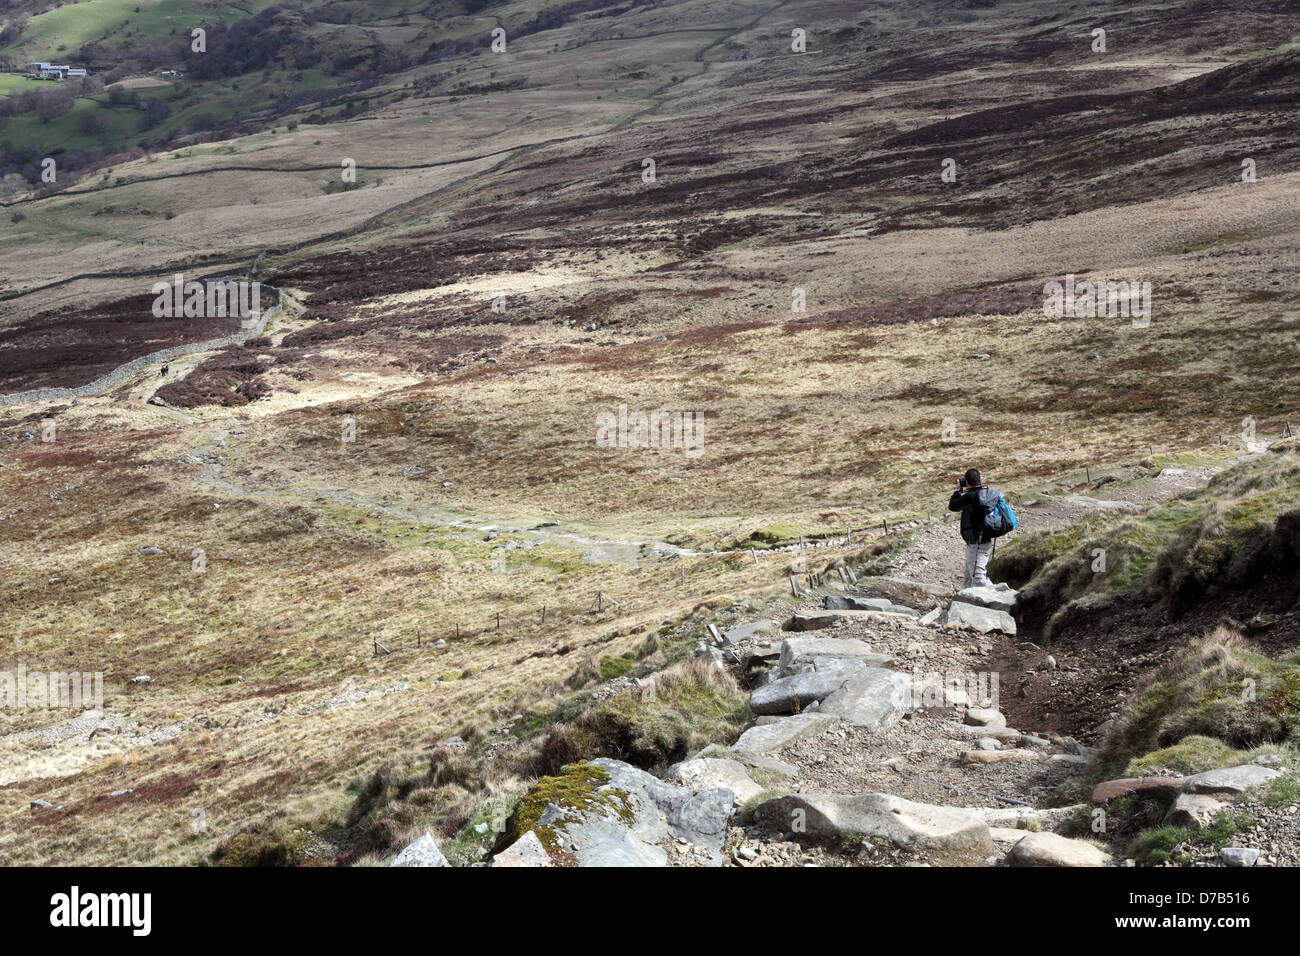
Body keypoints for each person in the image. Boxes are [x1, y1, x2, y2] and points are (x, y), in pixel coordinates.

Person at [948, 467, 999, 589]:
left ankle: (996, 596)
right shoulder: (986, 494)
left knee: (978, 578)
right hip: (984, 540)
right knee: (969, 575)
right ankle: (965, 600)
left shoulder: (970, 497)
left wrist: (958, 490)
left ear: (967, 482)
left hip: (976, 542)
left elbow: (953, 506)